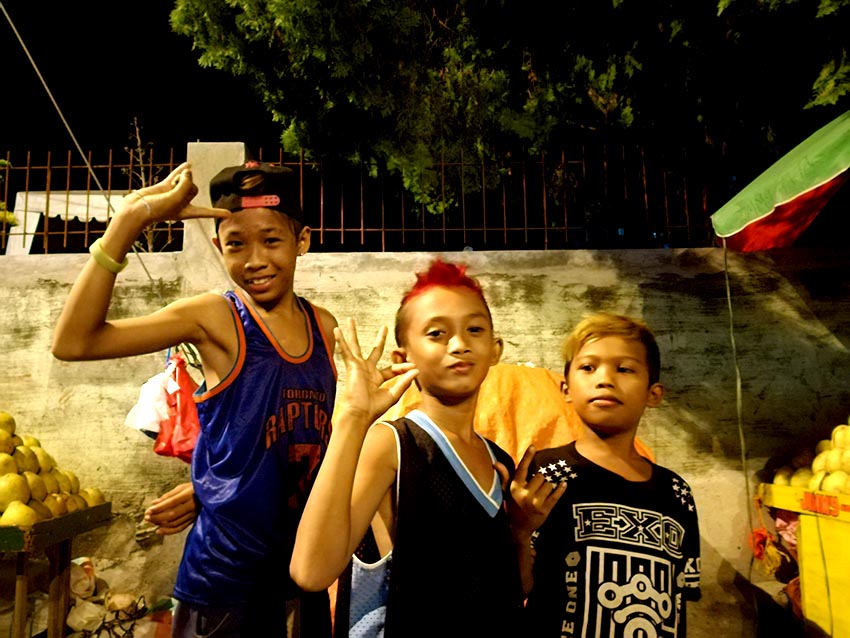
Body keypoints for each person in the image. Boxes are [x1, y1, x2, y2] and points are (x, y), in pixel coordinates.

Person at [52, 160, 338, 638]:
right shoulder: (214, 318)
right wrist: (129, 222)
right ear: (216, 247)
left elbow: (307, 445)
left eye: (271, 240)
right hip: (224, 582)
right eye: (235, 244)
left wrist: (209, 489)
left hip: (303, 568)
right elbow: (75, 342)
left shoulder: (323, 327)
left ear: (302, 241)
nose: (255, 259)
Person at [290, 258, 561, 637]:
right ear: (404, 359)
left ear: (495, 349)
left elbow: (513, 591)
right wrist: (353, 416)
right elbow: (310, 571)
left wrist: (520, 532)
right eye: (437, 333)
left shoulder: (498, 460)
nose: (460, 344)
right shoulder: (393, 444)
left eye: (475, 329)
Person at [522, 312, 701, 637]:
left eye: (625, 368)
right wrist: (519, 531)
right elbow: (514, 587)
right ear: (565, 389)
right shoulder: (546, 472)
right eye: (588, 367)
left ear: (654, 393)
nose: (605, 379)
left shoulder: (676, 492)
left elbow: (679, 600)